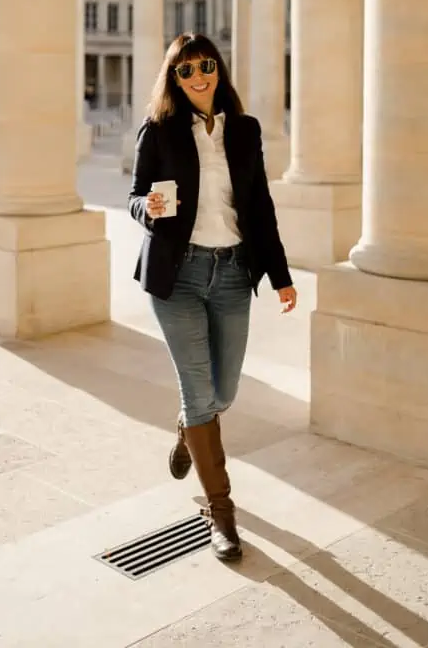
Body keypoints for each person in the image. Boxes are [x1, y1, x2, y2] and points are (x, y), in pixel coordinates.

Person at [128, 33, 297, 563]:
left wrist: (281, 275)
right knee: (202, 395)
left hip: (230, 275)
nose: (198, 76)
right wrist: (147, 208)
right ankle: (221, 514)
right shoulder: (158, 131)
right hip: (176, 277)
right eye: (185, 70)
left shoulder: (244, 131)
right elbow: (134, 197)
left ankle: (188, 428)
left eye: (206, 65)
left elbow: (262, 207)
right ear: (173, 79)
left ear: (218, 69)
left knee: (222, 392)